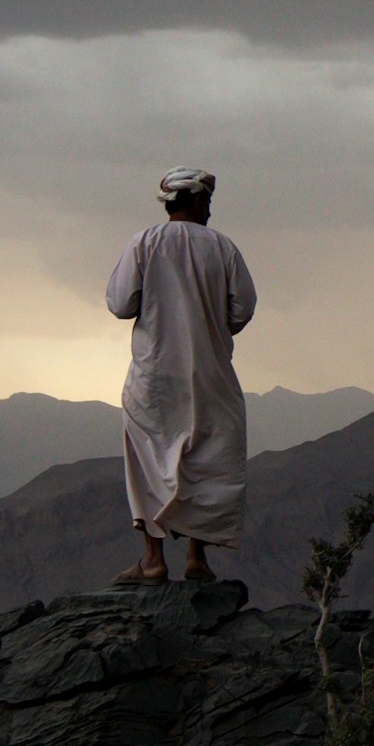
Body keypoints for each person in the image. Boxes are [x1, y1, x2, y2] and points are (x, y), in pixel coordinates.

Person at [105, 166, 258, 585]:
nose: (209, 210)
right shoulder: (223, 248)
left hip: (153, 376)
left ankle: (153, 560)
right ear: (193, 201)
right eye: (206, 202)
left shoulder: (144, 243)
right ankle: (196, 557)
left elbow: (120, 303)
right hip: (209, 374)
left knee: (150, 460)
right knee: (206, 460)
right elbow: (242, 309)